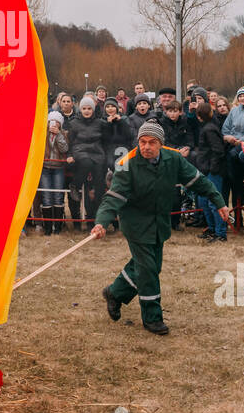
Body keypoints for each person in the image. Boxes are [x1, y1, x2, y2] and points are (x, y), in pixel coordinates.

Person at [91, 122, 229, 335]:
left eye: (152, 143)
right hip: (135, 222)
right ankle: (152, 318)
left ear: (161, 144)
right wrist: (101, 222)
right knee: (147, 270)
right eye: (142, 142)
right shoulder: (126, 163)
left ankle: (115, 292)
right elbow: (113, 197)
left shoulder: (173, 159)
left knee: (150, 265)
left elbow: (197, 180)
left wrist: (218, 200)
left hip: (159, 221)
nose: (146, 147)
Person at [66, 95, 106, 232]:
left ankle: (95, 221)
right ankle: (75, 185)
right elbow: (70, 142)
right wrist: (70, 155)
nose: (87, 111)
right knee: (87, 163)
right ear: (80, 109)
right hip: (81, 150)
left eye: (89, 108)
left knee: (99, 187)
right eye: (84, 108)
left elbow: (106, 140)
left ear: (93, 109)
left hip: (97, 152)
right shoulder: (74, 123)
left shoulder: (100, 123)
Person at [190, 100, 227, 242]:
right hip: (206, 169)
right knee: (203, 200)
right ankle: (211, 229)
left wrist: (213, 169)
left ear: (199, 116)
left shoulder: (209, 129)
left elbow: (218, 151)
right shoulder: (208, 126)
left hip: (213, 171)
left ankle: (220, 233)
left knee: (213, 202)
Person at [38, 112, 69, 234]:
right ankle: (48, 228)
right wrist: (46, 133)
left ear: (60, 124)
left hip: (58, 168)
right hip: (45, 167)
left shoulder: (64, 134)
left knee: (58, 196)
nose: (54, 124)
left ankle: (58, 227)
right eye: (52, 121)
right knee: (46, 196)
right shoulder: (43, 133)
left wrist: (59, 135)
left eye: (57, 122)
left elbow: (64, 149)